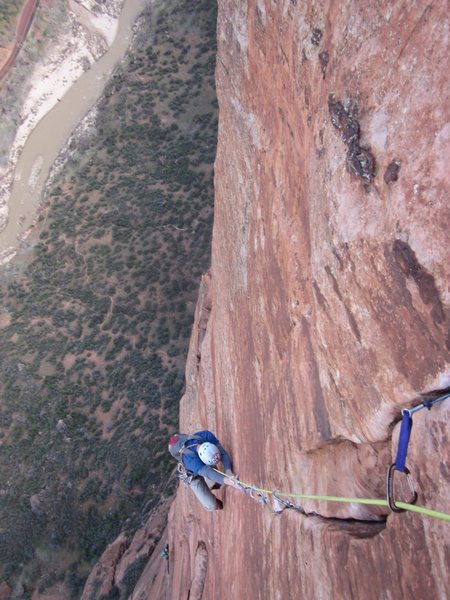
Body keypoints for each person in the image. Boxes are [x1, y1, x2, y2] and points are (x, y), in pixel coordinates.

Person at [168, 430, 239, 511]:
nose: (217, 459)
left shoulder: (206, 436)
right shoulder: (189, 461)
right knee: (211, 505)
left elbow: (221, 452)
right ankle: (213, 499)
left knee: (217, 483)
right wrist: (228, 481)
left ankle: (214, 484)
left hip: (202, 463)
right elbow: (208, 472)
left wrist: (228, 471)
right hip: (192, 475)